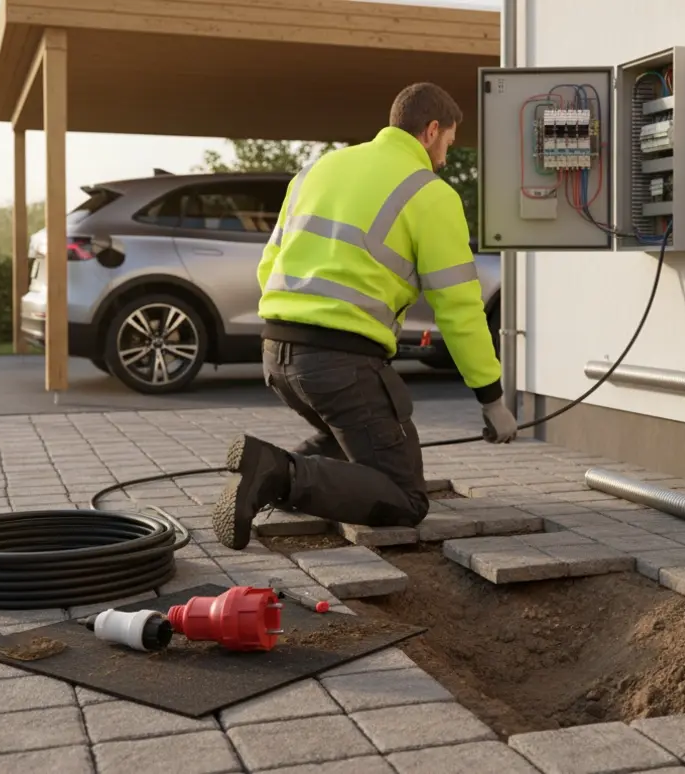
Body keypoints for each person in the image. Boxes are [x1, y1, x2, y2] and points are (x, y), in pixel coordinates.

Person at [212, 82, 519, 551]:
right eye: (449, 145)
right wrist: (492, 401)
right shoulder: (429, 192)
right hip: (340, 365)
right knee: (405, 498)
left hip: (276, 356)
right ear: (431, 130)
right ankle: (273, 472)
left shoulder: (316, 170)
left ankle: (261, 474)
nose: (445, 159)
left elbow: (268, 265)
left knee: (351, 444)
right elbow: (459, 309)